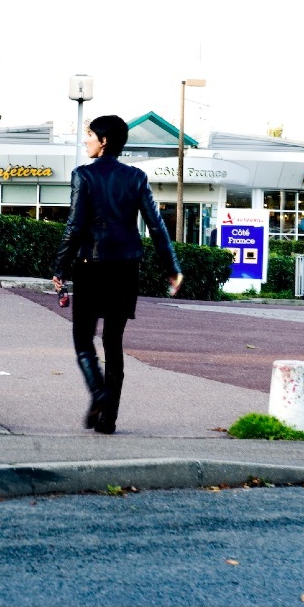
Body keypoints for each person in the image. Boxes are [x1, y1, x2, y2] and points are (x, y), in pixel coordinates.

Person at [52, 115, 183, 434]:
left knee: (83, 339)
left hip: (91, 268)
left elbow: (75, 225)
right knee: (113, 341)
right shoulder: (136, 177)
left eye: (90, 135)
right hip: (126, 268)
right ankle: (107, 418)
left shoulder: (83, 175)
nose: (86, 140)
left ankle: (99, 394)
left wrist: (60, 268)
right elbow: (156, 226)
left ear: (104, 140)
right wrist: (172, 268)